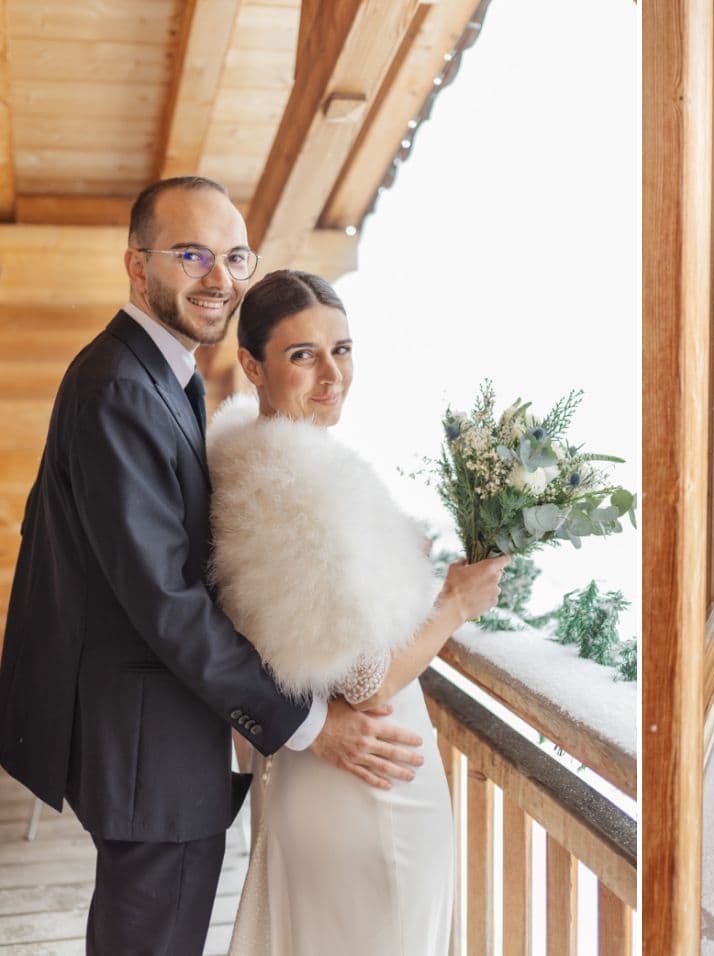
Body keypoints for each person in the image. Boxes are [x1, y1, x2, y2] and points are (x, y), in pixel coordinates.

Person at [0, 177, 426, 954]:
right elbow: (165, 598)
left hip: (160, 733)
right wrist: (304, 723)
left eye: (234, 255)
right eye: (192, 254)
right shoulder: (118, 389)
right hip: (145, 741)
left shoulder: (169, 375)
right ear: (138, 267)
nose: (219, 277)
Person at [207, 270, 508, 955]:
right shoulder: (305, 488)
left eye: (341, 349)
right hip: (372, 789)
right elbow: (365, 678)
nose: (331, 374)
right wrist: (455, 603)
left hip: (311, 780)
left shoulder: (246, 463)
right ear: (252, 365)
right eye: (302, 355)